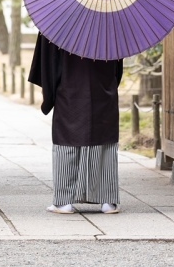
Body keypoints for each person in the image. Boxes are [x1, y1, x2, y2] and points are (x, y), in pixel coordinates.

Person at [28, 32, 123, 214]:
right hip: (103, 88)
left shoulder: (55, 20)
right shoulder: (111, 18)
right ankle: (108, 201)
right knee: (104, 141)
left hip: (69, 88)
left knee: (67, 140)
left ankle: (64, 201)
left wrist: (50, 95)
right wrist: (109, 84)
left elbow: (48, 63)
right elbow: (118, 64)